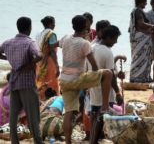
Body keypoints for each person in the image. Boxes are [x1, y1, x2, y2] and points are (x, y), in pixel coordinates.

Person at [57, 15, 113, 144]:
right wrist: (93, 81)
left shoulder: (65, 38)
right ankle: (105, 106)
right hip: (78, 78)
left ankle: (68, 143)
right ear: (86, 27)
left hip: (64, 80)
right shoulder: (85, 43)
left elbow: (54, 45)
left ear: (73, 26)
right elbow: (94, 67)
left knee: (69, 112)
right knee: (108, 73)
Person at [0, 17, 44, 144]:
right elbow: (40, 55)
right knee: (33, 115)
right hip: (27, 83)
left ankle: (14, 141)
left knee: (13, 115)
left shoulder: (8, 42)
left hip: (13, 81)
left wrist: (9, 59)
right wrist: (30, 63)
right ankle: (38, 141)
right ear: (29, 28)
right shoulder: (29, 42)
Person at [89, 25, 124, 144]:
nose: (115, 42)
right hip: (105, 89)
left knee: (96, 114)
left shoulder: (92, 47)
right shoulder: (108, 52)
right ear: (108, 38)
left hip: (93, 87)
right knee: (101, 115)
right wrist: (118, 93)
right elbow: (111, 76)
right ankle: (93, 141)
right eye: (114, 39)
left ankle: (92, 140)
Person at [129, 0, 154, 83]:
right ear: (142, 2)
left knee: (144, 58)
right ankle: (137, 78)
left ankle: (144, 77)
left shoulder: (139, 10)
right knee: (139, 58)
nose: (146, 4)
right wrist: (153, 26)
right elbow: (141, 23)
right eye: (145, 2)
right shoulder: (138, 10)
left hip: (145, 39)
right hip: (141, 39)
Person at [35, 16, 60, 100]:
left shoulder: (39, 33)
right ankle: (51, 105)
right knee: (51, 85)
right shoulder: (51, 34)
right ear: (50, 24)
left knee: (41, 84)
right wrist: (57, 66)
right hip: (49, 64)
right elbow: (52, 50)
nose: (54, 26)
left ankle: (40, 104)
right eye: (54, 24)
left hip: (39, 62)